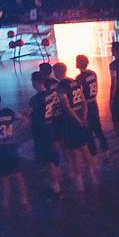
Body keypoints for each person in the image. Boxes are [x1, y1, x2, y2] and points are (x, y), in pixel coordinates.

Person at [0, 92, 30, 215]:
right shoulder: (9, 112)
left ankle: (6, 203)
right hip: (12, 145)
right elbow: (25, 119)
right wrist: (16, 131)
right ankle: (24, 201)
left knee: (4, 178)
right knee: (18, 174)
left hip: (1, 148)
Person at [54, 62, 96, 191]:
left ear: (57, 73)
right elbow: (83, 100)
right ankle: (92, 175)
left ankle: (79, 181)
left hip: (71, 122)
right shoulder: (75, 82)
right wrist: (83, 117)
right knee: (84, 148)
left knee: (74, 151)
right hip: (81, 118)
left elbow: (67, 106)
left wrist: (77, 119)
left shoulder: (61, 87)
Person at [28, 71, 62, 196]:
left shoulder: (35, 99)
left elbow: (28, 115)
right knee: (54, 158)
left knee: (48, 161)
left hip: (42, 132)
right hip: (54, 127)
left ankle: (56, 187)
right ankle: (58, 182)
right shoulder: (52, 95)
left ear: (36, 83)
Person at [74, 54, 109, 153]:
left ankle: (92, 152)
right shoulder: (93, 74)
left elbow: (80, 95)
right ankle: (105, 148)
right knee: (98, 128)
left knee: (87, 130)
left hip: (86, 106)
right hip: (94, 102)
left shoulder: (79, 78)